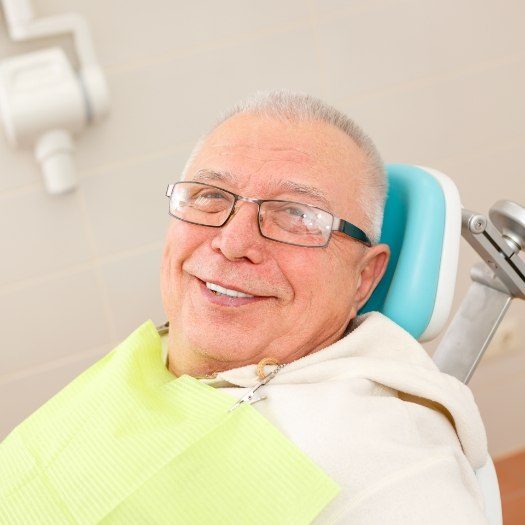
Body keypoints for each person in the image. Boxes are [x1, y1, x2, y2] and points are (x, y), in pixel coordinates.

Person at [0, 91, 489, 524]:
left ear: (364, 277)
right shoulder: (157, 353)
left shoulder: (391, 463)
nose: (232, 243)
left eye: (297, 215)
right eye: (211, 196)